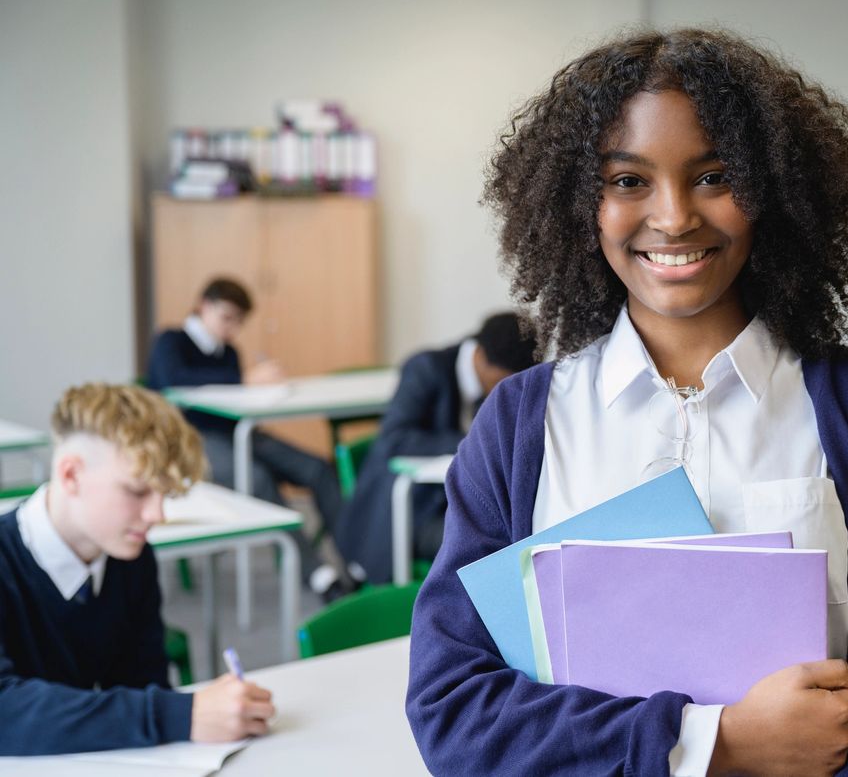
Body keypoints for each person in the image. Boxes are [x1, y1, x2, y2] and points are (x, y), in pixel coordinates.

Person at [405, 28, 848, 775]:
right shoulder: (520, 423)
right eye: (629, 181)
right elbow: (453, 707)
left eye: (715, 176)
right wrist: (714, 745)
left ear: (773, 192)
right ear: (579, 203)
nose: (675, 215)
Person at [0, 383, 274, 755]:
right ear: (71, 476)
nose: (157, 515)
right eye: (137, 491)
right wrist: (178, 716)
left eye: (163, 494)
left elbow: (142, 681)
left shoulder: (129, 557)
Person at [145, 277, 347, 599]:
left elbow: (237, 398)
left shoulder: (228, 352)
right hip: (192, 441)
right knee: (258, 479)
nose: (232, 328)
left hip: (239, 431)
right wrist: (244, 379)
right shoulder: (171, 340)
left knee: (318, 468)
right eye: (226, 318)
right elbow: (175, 380)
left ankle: (358, 563)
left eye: (238, 322)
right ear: (203, 307)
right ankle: (318, 574)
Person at [334, 312, 538, 585]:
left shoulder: (499, 375)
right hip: (411, 510)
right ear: (481, 357)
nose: (505, 391)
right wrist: (472, 441)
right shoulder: (425, 368)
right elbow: (395, 438)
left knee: (522, 526)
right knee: (492, 541)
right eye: (502, 381)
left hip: (456, 500)